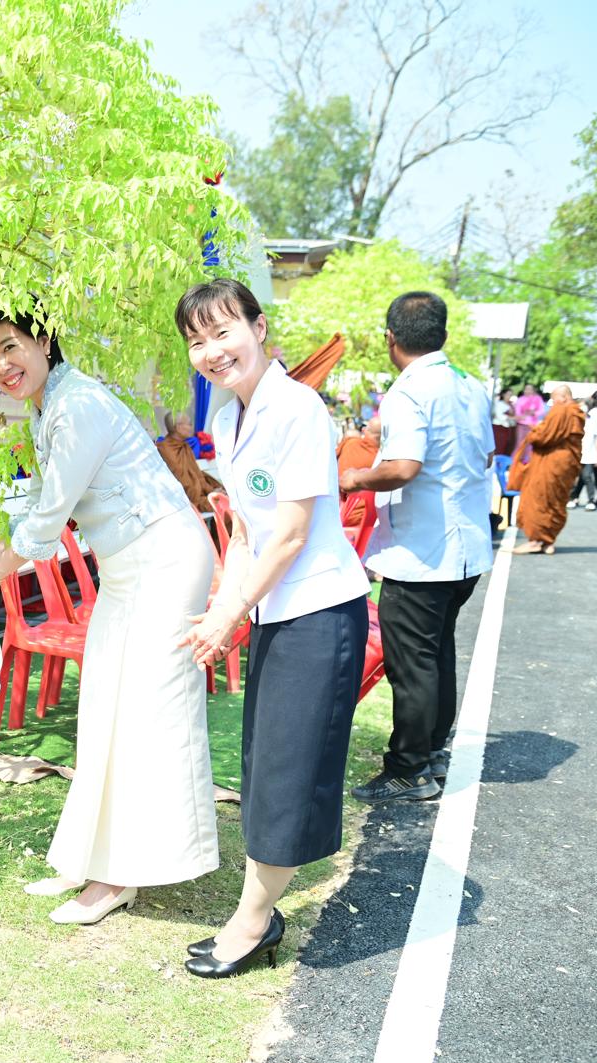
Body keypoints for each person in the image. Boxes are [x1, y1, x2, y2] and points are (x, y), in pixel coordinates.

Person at [0, 302, 219, 926]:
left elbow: (49, 517)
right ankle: (89, 857)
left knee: (146, 712)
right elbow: (37, 505)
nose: (1, 366)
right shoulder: (50, 406)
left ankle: (119, 877)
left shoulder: (78, 405)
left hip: (164, 561)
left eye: (10, 346)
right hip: (127, 568)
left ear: (43, 340)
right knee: (103, 706)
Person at [173, 279, 369, 979]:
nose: (211, 351)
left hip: (319, 612)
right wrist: (224, 607)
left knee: (286, 772)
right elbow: (245, 534)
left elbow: (289, 536)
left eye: (223, 331)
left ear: (258, 329)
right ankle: (256, 913)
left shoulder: (298, 409)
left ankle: (251, 922)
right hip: (274, 614)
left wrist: (229, 614)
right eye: (196, 340)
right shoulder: (228, 418)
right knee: (261, 765)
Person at [339, 293, 492, 803]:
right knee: (437, 653)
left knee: (412, 665)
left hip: (422, 554)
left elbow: (403, 466)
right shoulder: (470, 386)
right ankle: (432, 753)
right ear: (442, 334)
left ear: (391, 338)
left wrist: (354, 478)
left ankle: (408, 769)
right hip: (465, 548)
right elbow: (485, 456)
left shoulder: (408, 391)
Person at [506, 384, 584, 556]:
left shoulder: (562, 410)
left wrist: (533, 433)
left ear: (563, 397)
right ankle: (548, 541)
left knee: (539, 497)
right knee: (556, 501)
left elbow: (544, 436)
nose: (553, 402)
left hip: (553, 462)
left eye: (554, 399)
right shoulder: (576, 412)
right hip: (566, 464)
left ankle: (535, 541)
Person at [157, 409, 224, 514]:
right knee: (224, 505)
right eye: (189, 424)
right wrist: (209, 495)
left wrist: (211, 491)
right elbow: (183, 481)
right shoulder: (165, 449)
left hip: (199, 493)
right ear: (179, 427)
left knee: (226, 499)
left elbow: (197, 475)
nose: (191, 427)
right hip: (185, 500)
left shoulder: (185, 446)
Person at [335, 415, 381, 528]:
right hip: (370, 519)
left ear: (365, 430)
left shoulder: (350, 444)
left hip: (343, 514)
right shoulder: (382, 459)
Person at [569, 391, 597, 509]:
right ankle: (574, 497)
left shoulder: (593, 419)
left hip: (589, 452)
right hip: (577, 451)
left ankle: (591, 500)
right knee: (578, 476)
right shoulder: (576, 421)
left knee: (587, 476)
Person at [512, 383, 545, 453]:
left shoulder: (538, 399)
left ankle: (527, 459)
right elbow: (517, 411)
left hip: (532, 425)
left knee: (529, 444)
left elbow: (542, 411)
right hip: (521, 424)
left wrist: (534, 413)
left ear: (533, 390)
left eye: (530, 389)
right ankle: (516, 458)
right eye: (526, 389)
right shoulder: (520, 399)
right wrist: (521, 416)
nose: (528, 391)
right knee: (519, 443)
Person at [491, 388, 517, 458]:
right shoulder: (499, 404)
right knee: (498, 446)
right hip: (499, 428)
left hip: (507, 429)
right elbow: (499, 416)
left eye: (510, 395)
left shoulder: (511, 405)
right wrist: (512, 417)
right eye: (508, 394)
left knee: (505, 447)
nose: (509, 396)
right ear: (503, 395)